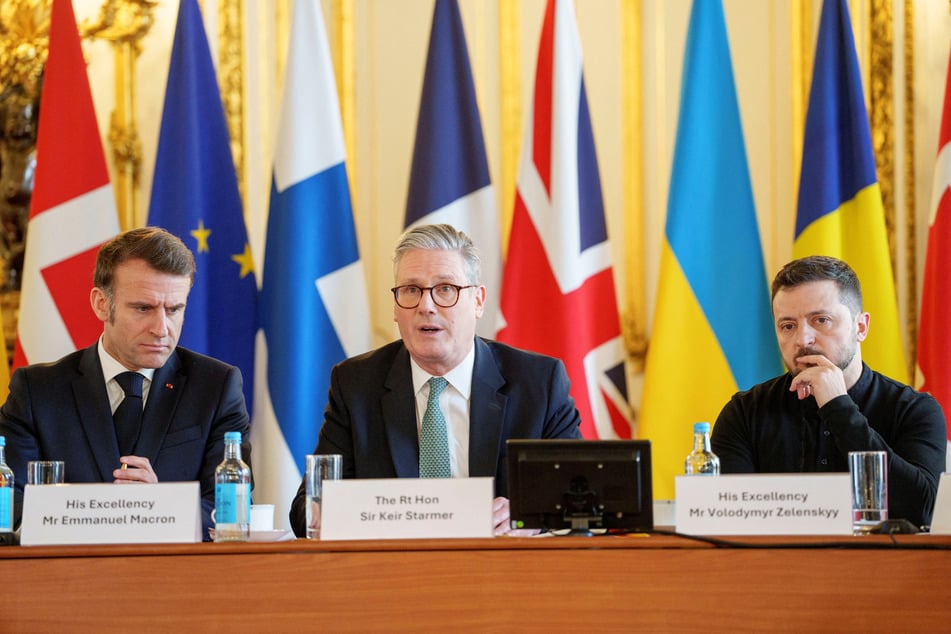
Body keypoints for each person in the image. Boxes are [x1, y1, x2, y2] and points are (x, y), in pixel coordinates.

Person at [289, 223, 582, 536]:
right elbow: (307, 505)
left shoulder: (538, 383)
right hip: (393, 575)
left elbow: (577, 495)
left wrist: (530, 512)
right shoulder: (356, 385)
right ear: (395, 306)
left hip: (503, 573)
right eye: (411, 290)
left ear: (478, 301)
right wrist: (320, 512)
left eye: (446, 289)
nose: (426, 306)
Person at [0, 227, 251, 537]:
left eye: (174, 309)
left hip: (176, 578)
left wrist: (160, 506)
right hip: (66, 577)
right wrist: (108, 514)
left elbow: (234, 510)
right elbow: (9, 503)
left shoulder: (217, 387)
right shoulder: (37, 391)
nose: (162, 328)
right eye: (143, 308)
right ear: (101, 304)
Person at [711, 255, 946, 528]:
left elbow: (925, 512)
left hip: (880, 570)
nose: (802, 339)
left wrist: (838, 407)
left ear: (861, 327)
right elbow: (728, 523)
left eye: (821, 320)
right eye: (788, 326)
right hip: (774, 569)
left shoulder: (914, 410)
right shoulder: (744, 413)